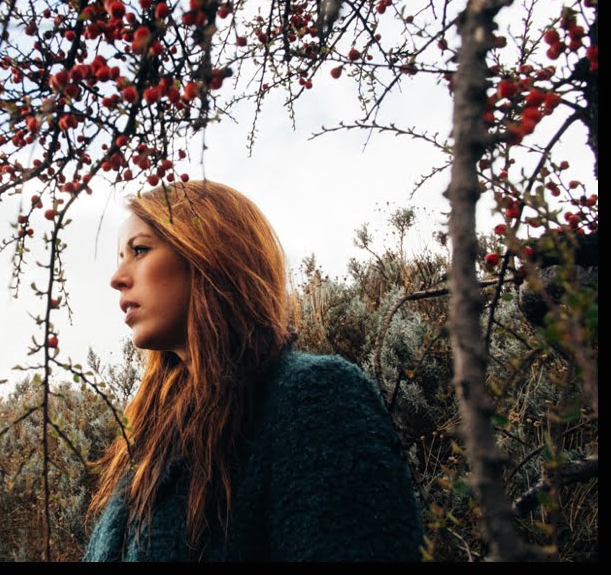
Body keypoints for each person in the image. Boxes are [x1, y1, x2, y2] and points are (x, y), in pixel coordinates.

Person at [84, 180, 424, 563]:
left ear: (209, 253)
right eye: (119, 257)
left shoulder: (315, 398)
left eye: (140, 250)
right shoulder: (152, 439)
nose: (117, 278)